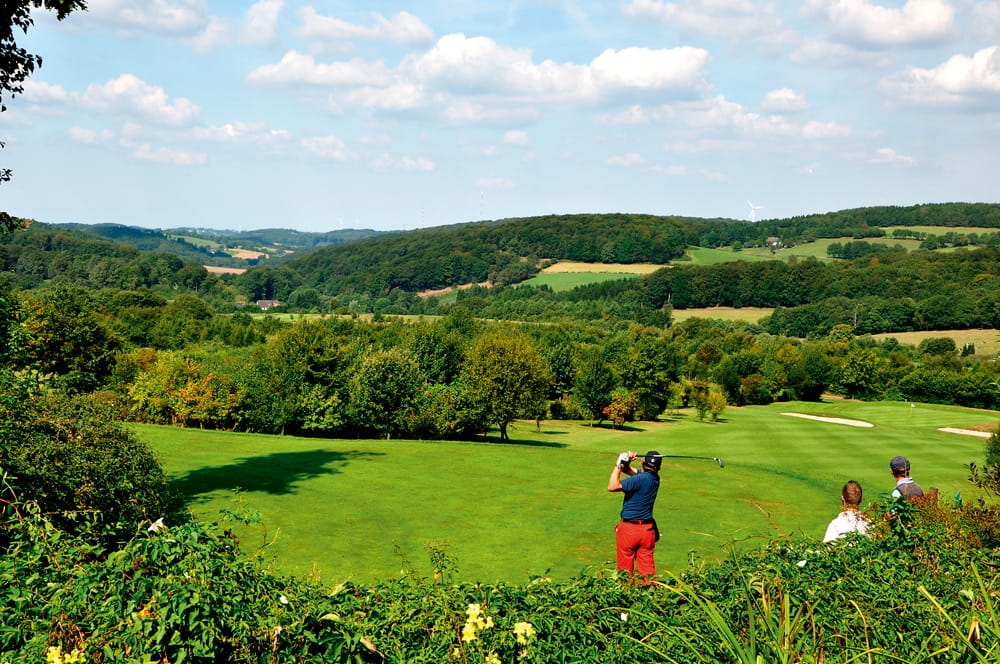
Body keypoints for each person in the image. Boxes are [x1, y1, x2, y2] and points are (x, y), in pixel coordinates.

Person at [608, 450, 662, 583]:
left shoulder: (639, 479)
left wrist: (618, 465)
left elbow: (612, 486)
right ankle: (650, 596)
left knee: (624, 572)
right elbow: (632, 472)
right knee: (648, 572)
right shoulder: (654, 479)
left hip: (629, 530)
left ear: (643, 462)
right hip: (647, 531)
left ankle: (626, 597)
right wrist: (625, 463)